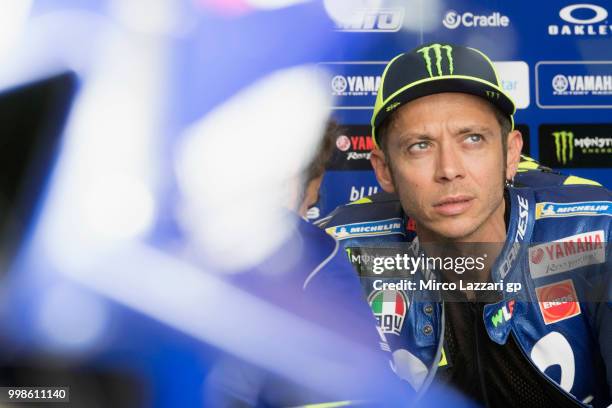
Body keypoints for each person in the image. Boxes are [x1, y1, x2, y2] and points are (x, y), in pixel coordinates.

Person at [318, 43, 611, 407]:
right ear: (383, 170)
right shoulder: (337, 253)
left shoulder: (595, 232)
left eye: (473, 139)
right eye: (419, 146)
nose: (449, 169)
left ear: (510, 154)